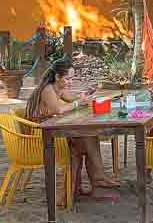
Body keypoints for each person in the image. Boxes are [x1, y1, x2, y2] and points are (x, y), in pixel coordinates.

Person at [25, 56, 119, 200]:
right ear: (57, 76)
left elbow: (73, 99)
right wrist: (78, 103)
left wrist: (85, 96)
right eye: (68, 79)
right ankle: (97, 180)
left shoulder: (59, 88)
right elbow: (59, 110)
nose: (70, 82)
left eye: (72, 79)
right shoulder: (48, 89)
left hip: (52, 130)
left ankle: (93, 183)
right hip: (42, 137)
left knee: (88, 136)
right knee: (86, 138)